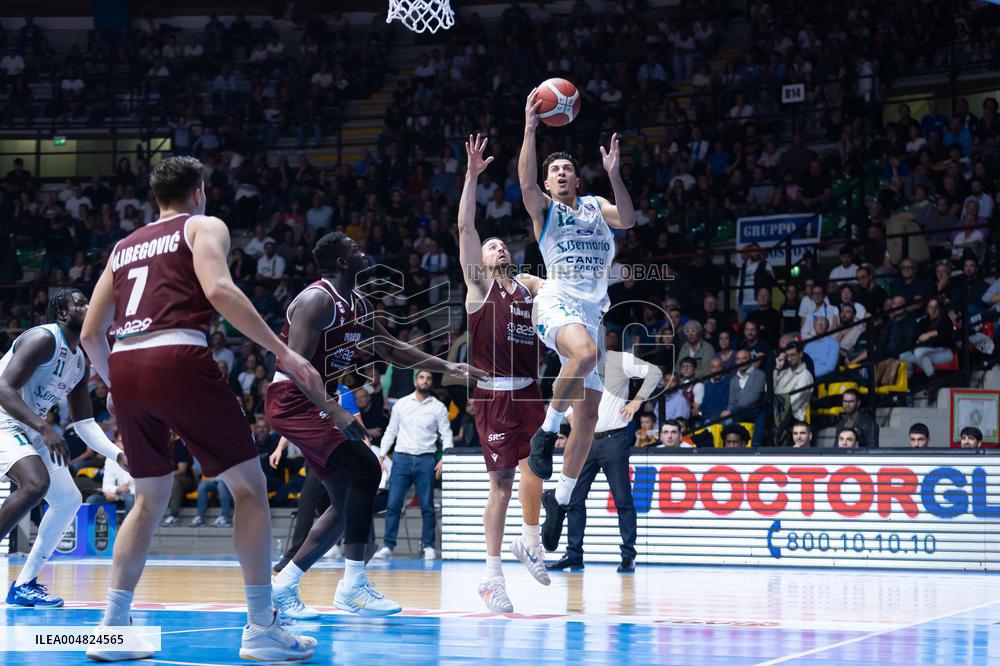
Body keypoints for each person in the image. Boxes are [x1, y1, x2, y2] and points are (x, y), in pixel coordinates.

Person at [80, 156, 322, 661]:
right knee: (250, 491)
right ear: (199, 192)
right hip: (177, 354)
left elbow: (89, 333)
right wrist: (285, 353)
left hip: (124, 362)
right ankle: (261, 628)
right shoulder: (203, 225)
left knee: (148, 498)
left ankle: (111, 630)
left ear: (154, 197)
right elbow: (217, 289)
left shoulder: (123, 247)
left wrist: (111, 380)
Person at [266, 232, 482, 619]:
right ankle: (353, 585)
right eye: (354, 249)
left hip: (317, 398)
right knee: (365, 466)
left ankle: (284, 584)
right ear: (343, 262)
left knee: (346, 500)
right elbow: (297, 367)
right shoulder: (318, 300)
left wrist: (447, 365)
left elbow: (390, 348)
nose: (363, 250)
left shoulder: (360, 304)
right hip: (293, 398)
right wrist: (334, 410)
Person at [518, 89, 635, 551]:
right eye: (554, 170)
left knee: (586, 418)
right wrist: (530, 129)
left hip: (592, 309)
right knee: (583, 354)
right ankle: (545, 436)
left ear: (577, 178)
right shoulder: (544, 210)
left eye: (567, 168)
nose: (562, 172)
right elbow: (524, 184)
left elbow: (627, 217)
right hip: (556, 300)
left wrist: (615, 174)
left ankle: (560, 501)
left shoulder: (595, 207)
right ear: (547, 184)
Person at [457, 135, 550, 611]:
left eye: (499, 244)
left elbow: (561, 283)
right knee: (501, 486)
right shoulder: (478, 287)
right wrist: (473, 176)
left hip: (531, 392)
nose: (494, 248)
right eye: (489, 247)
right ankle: (492, 577)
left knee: (540, 466)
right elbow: (465, 227)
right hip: (494, 397)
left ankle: (530, 540)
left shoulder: (531, 285)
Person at [1, 289, 127, 608]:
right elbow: (2, 388)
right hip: (5, 416)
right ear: (62, 314)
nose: (87, 306)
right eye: (79, 303)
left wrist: (119, 456)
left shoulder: (79, 362)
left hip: (30, 425)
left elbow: (83, 423)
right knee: (35, 483)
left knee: (68, 499)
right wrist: (45, 427)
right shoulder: (43, 339)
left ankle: (25, 584)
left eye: (88, 301)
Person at [548, 332, 660, 573]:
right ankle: (573, 554)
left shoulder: (618, 359)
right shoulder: (573, 365)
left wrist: (636, 401)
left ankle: (628, 555)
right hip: (584, 441)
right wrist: (573, 421)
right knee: (574, 499)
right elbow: (558, 394)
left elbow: (655, 372)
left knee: (623, 499)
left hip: (613, 439)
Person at [374, 370, 453, 562]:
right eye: (421, 377)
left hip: (426, 460)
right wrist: (382, 455)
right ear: (415, 380)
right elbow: (391, 430)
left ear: (431, 382)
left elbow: (447, 434)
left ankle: (428, 546)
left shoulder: (438, 407)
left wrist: (446, 457)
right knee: (393, 505)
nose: (425, 381)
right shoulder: (401, 404)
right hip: (401, 459)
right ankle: (388, 546)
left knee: (427, 507)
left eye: (428, 378)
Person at [899, 297, 954, 377]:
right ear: (927, 309)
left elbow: (946, 335)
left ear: (940, 309)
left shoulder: (945, 320)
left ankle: (932, 378)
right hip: (925, 352)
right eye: (931, 307)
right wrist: (925, 338)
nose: (933, 310)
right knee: (903, 356)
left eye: (936, 307)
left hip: (943, 351)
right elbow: (917, 338)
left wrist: (929, 335)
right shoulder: (923, 322)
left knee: (919, 352)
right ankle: (910, 379)